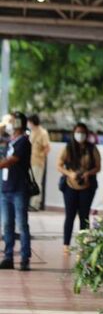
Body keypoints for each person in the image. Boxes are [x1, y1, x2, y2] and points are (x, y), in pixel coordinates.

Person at [56, 122, 101, 254]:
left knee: (84, 216)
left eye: (82, 132)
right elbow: (59, 165)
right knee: (69, 215)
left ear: (86, 134)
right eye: (78, 132)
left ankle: (84, 245)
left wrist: (88, 173)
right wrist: (70, 173)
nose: (80, 135)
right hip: (70, 186)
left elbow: (98, 167)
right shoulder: (68, 148)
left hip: (87, 187)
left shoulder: (92, 149)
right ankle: (66, 245)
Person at [0, 111, 32, 271]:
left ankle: (25, 258)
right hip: (6, 188)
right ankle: (8, 257)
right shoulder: (10, 142)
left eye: (13, 121)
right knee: (7, 225)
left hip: (19, 189)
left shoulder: (24, 142)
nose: (10, 124)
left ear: (20, 123)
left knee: (22, 224)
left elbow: (12, 160)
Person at [27, 114, 50, 211]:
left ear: (32, 122)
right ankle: (29, 203)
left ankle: (35, 204)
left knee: (36, 182)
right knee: (28, 182)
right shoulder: (31, 132)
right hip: (29, 161)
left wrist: (40, 156)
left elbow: (47, 148)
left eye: (29, 122)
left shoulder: (43, 133)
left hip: (38, 162)